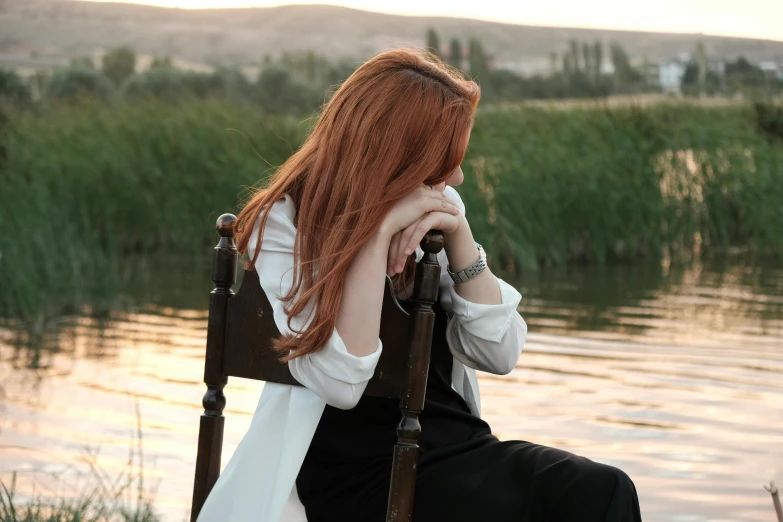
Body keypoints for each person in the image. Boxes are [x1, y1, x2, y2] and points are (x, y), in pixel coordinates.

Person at [196, 48, 641, 522]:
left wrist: (460, 234)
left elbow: (500, 353)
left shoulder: (434, 206)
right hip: (356, 472)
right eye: (445, 160)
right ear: (399, 157)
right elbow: (341, 383)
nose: (458, 176)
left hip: (456, 444)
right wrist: (376, 239)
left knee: (599, 489)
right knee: (588, 497)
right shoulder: (284, 222)